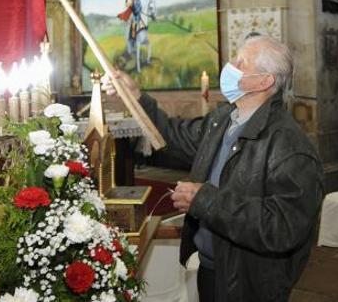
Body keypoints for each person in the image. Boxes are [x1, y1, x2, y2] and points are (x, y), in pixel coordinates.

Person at [103, 35, 324, 301]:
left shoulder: (289, 146)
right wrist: (136, 95)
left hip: (250, 281)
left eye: (241, 62)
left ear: (265, 81)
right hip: (212, 269)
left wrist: (205, 200)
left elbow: (282, 228)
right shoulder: (223, 120)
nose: (230, 65)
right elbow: (173, 135)